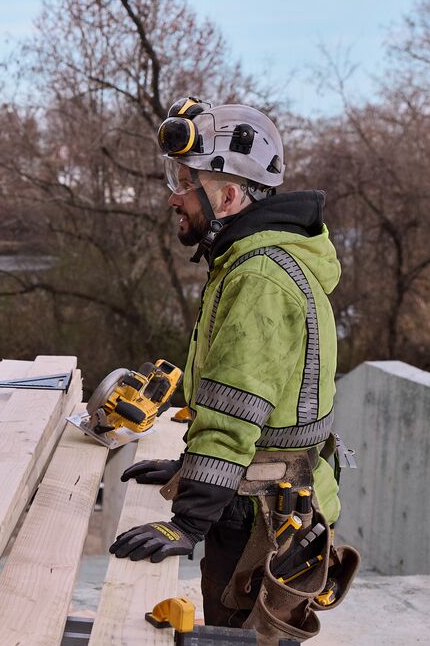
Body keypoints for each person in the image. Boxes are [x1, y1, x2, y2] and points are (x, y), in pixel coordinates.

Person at [109, 99, 349, 640]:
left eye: (185, 180)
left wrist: (188, 521)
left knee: (241, 636)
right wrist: (186, 471)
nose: (173, 195)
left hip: (259, 521)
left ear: (229, 195)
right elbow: (246, 408)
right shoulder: (253, 262)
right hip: (265, 502)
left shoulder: (259, 278)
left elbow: (235, 416)